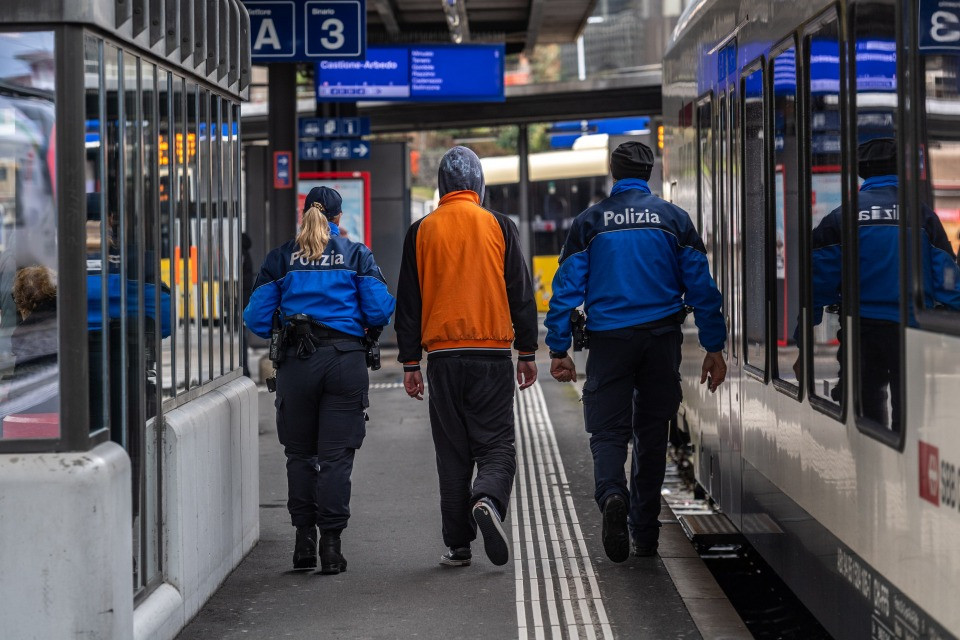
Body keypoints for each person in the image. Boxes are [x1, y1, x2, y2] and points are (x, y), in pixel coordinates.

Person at [545, 141, 726, 562]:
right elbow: (703, 288)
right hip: (661, 341)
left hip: (609, 342)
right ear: (650, 173)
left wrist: (558, 348)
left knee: (608, 431)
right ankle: (644, 533)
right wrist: (715, 345)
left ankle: (612, 494)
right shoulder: (674, 220)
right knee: (651, 435)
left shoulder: (590, 222)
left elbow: (565, 291)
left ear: (613, 172)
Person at [395, 146, 539, 568]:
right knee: (496, 446)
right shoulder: (499, 225)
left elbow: (409, 302)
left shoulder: (420, 231)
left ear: (441, 185)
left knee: (452, 453)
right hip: (491, 357)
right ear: (478, 184)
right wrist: (527, 352)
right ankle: (488, 499)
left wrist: (409, 363)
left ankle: (459, 545)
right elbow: (521, 292)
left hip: (442, 359)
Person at [243, 186, 395, 573]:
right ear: (339, 218)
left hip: (297, 363)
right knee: (335, 458)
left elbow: (256, 319)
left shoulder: (280, 258)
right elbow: (379, 311)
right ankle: (331, 546)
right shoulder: (357, 254)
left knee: (299, 456)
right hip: (345, 363)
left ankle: (303, 544)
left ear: (304, 213)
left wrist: (290, 324)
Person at [798, 138, 960, 428]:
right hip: (911, 331)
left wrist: (803, 343)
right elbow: (948, 280)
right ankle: (905, 470)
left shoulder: (841, 217)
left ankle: (872, 469)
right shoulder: (923, 216)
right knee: (910, 420)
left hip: (862, 331)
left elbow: (816, 283)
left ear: (862, 172)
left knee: (866, 419)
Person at [240, 232, 253, 377]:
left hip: (241, 298)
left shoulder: (239, 254)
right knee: (243, 334)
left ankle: (244, 368)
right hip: (245, 297)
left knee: (242, 335)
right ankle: (244, 367)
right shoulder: (245, 253)